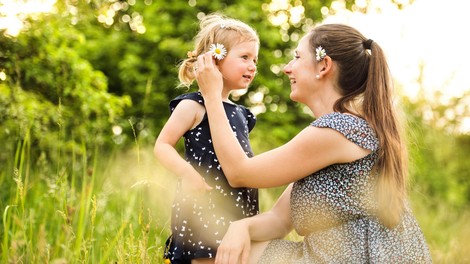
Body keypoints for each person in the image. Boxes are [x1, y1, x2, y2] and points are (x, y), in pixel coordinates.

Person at [194, 23, 432, 263]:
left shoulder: (338, 130)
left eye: (297, 57)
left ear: (324, 66)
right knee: (219, 247)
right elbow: (279, 220)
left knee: (206, 253)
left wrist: (212, 96)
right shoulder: (341, 130)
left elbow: (239, 173)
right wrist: (242, 227)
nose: (287, 68)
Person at [154, 13, 260, 264]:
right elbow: (162, 145)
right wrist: (188, 174)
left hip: (238, 207)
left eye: (255, 59)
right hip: (205, 202)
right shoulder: (194, 105)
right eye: (244, 57)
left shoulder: (242, 114)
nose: (252, 65)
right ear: (215, 58)